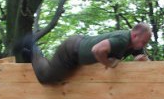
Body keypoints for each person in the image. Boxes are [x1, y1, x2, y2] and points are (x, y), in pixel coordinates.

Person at [21, 23, 153, 84]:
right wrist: (107, 63)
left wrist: (142, 61)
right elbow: (97, 49)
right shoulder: (122, 40)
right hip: (71, 50)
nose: (144, 45)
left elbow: (144, 60)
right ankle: (32, 49)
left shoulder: (134, 45)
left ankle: (28, 54)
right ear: (135, 35)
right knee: (46, 77)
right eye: (144, 41)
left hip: (78, 45)